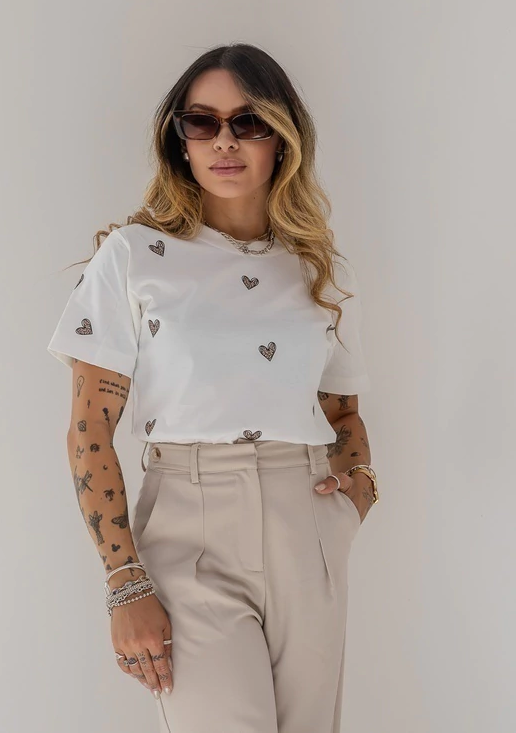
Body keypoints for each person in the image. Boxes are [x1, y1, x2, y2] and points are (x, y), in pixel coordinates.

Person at [47, 42, 379, 733]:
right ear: (180, 140)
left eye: (248, 122)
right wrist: (124, 581)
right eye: (202, 122)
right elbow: (89, 428)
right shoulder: (133, 257)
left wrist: (357, 493)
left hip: (308, 525)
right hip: (187, 529)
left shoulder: (317, 265)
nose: (224, 141)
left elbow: (341, 410)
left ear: (282, 138)